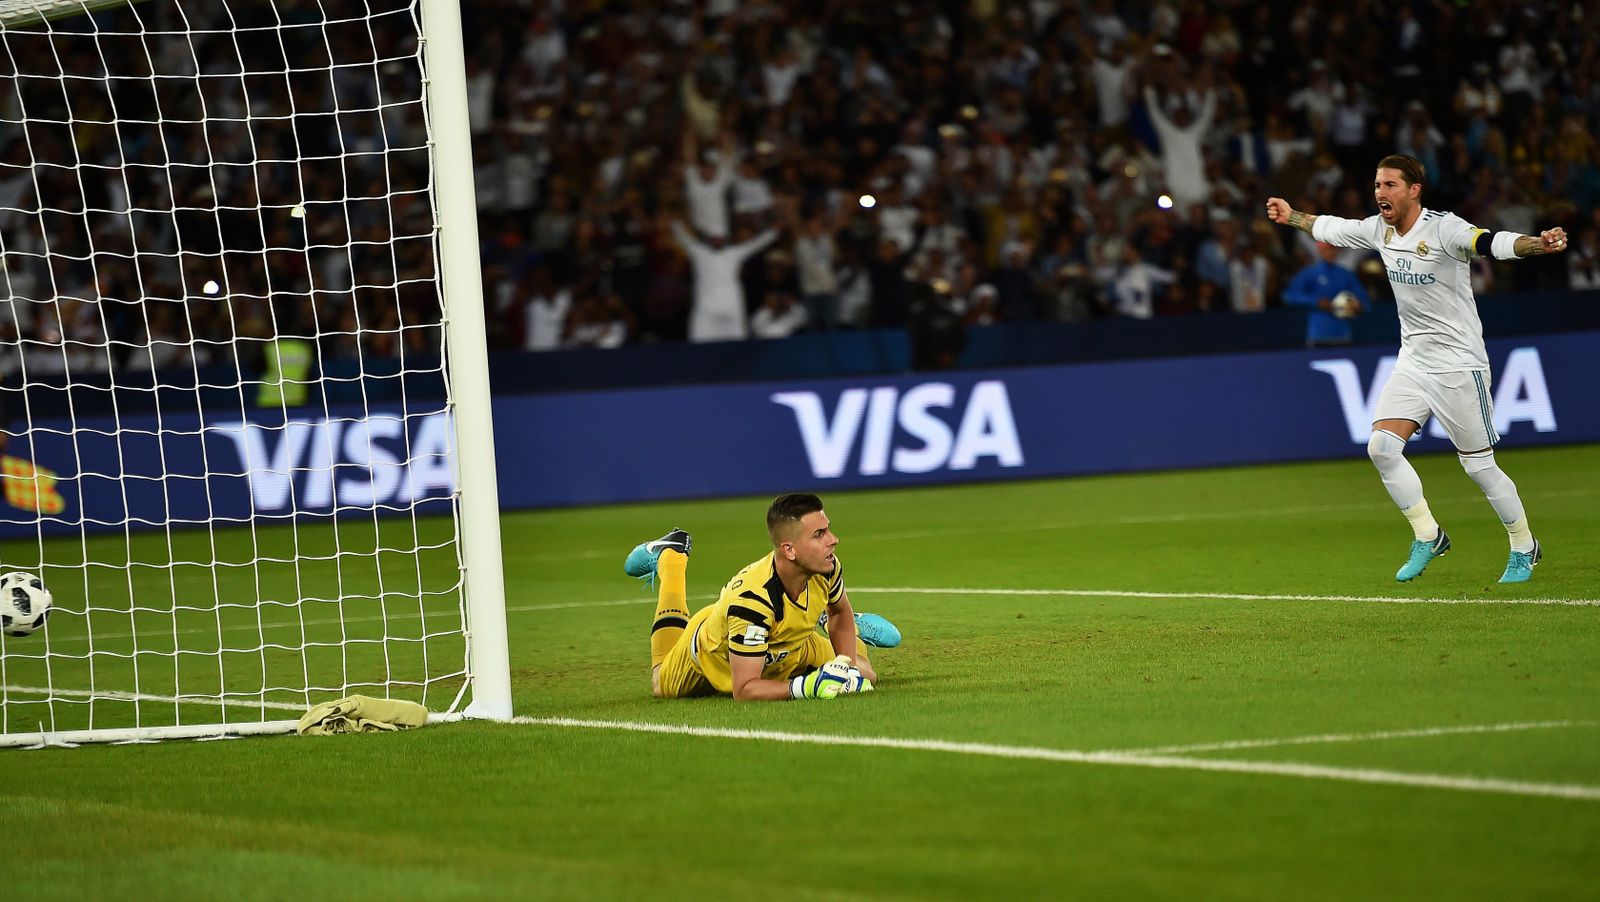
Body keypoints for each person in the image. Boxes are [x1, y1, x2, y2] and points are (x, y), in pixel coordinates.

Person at [1265, 153, 1566, 584]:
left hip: (1460, 364)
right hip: (1413, 360)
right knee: (1381, 449)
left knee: (1479, 466)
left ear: (1413, 190)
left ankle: (1524, 545)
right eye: (1376, 185)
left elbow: (1490, 243)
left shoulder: (1444, 228)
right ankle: (1428, 535)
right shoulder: (1379, 229)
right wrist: (1291, 215)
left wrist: (1537, 243)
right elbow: (1332, 226)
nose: (1380, 193)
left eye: (1389, 185)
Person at [624, 493, 901, 701]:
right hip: (715, 655)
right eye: (820, 534)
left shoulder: (826, 566)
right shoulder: (753, 602)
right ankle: (671, 558)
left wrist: (848, 665)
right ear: (789, 550)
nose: (834, 539)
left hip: (792, 643)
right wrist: (805, 687)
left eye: (827, 528)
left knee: (865, 675)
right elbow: (745, 689)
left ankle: (825, 622)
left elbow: (840, 612)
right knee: (661, 683)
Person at [1282, 241, 1370, 347]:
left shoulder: (1346, 274)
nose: (1329, 253)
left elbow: (1365, 302)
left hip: (1342, 334)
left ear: (1337, 251)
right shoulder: (1310, 273)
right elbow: (1289, 296)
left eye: (1332, 249)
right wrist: (1316, 302)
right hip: (1318, 334)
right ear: (1319, 251)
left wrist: (1357, 306)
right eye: (1326, 249)